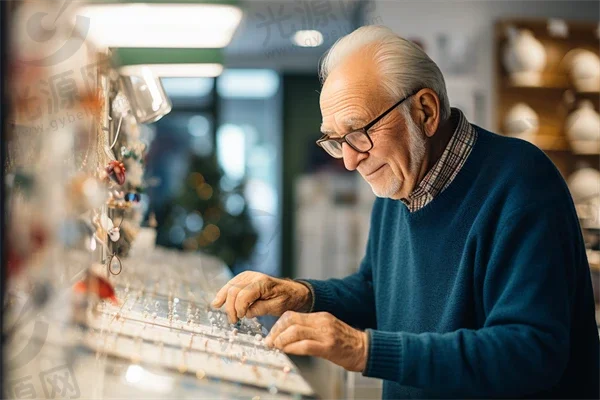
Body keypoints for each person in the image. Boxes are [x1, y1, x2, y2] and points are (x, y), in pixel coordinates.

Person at [211, 25, 600, 399]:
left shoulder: (521, 183)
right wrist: (302, 294)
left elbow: (530, 352)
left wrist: (365, 350)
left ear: (425, 112)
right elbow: (376, 291)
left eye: (359, 131)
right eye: (336, 140)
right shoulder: (399, 184)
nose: (349, 160)